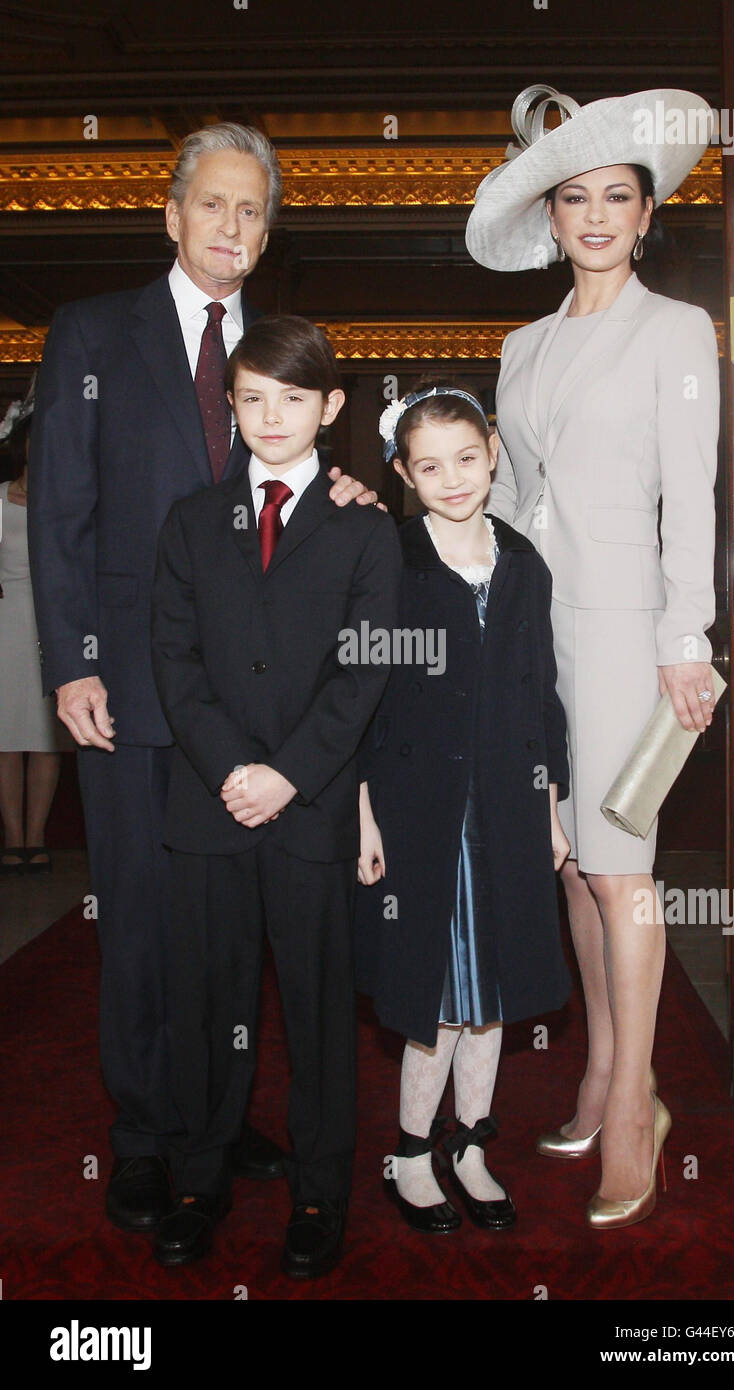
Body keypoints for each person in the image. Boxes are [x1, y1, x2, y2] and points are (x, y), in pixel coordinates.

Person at [27, 123, 377, 1235]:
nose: (232, 228)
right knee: (138, 918)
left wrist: (350, 496)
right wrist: (71, 661)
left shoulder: (272, 351)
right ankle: (145, 1134)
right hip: (132, 684)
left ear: (265, 234)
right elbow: (60, 513)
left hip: (264, 706)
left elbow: (296, 470)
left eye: (251, 213)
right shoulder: (90, 335)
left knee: (237, 934)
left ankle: (215, 1121)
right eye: (213, 206)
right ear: (171, 214)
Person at [465, 85, 720, 1228]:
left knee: (621, 867)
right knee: (571, 865)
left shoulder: (676, 330)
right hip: (535, 638)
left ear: (644, 211)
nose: (596, 215)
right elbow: (510, 497)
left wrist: (685, 639)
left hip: (625, 633)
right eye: (574, 198)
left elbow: (691, 497)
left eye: (616, 195)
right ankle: (597, 1071)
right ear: (552, 219)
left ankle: (633, 1103)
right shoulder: (516, 345)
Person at [150, 315, 402, 1276]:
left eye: (292, 398)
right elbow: (173, 661)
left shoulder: (364, 529)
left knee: (318, 1009)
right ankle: (197, 1179)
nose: (269, 416)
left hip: (310, 810)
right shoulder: (188, 521)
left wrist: (288, 774)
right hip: (208, 809)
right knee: (207, 1004)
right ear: (231, 405)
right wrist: (230, 771)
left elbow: (365, 673)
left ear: (330, 408)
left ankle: (319, 1193)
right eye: (250, 398)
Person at [354, 380, 572, 1234]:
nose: (453, 478)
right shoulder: (390, 561)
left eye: (467, 459)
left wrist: (551, 806)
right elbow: (362, 694)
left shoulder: (521, 561)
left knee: (495, 991)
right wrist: (362, 814)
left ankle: (471, 1144)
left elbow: (540, 695)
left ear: (490, 454)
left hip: (508, 812)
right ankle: (409, 1151)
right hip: (419, 813)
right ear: (404, 474)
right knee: (434, 992)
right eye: (430, 465)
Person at [0, 375, 73, 877]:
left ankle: (39, 835)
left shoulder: (67, 503)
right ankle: (13, 838)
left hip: (52, 626)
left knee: (45, 739)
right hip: (5, 624)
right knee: (7, 740)